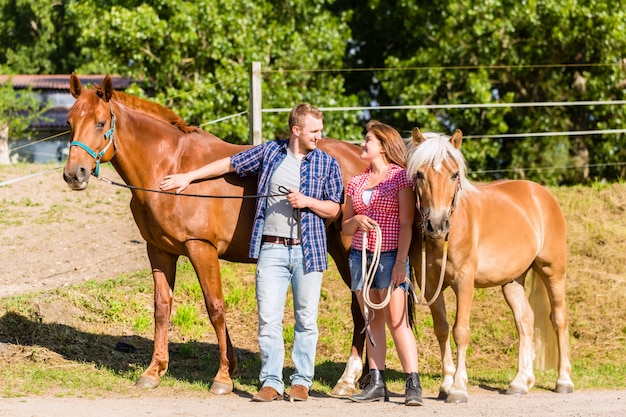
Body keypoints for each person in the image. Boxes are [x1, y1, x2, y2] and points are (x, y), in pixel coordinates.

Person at [160, 103, 344, 403]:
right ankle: (271, 381)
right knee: (269, 318)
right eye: (314, 131)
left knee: (306, 321)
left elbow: (334, 209)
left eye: (320, 131)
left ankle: (301, 381)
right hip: (271, 249)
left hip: (308, 250)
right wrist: (188, 177)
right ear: (296, 130)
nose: (319, 136)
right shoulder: (269, 152)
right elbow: (229, 163)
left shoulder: (327, 163)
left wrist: (307, 202)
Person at [341, 120, 421, 406]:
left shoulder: (400, 178)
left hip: (388, 257)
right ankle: (376, 381)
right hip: (360, 257)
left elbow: (406, 224)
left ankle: (413, 382)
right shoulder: (356, 182)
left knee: (398, 322)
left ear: (383, 147)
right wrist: (356, 221)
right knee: (371, 320)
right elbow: (345, 227)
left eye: (368, 141)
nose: (363, 144)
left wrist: (401, 262)